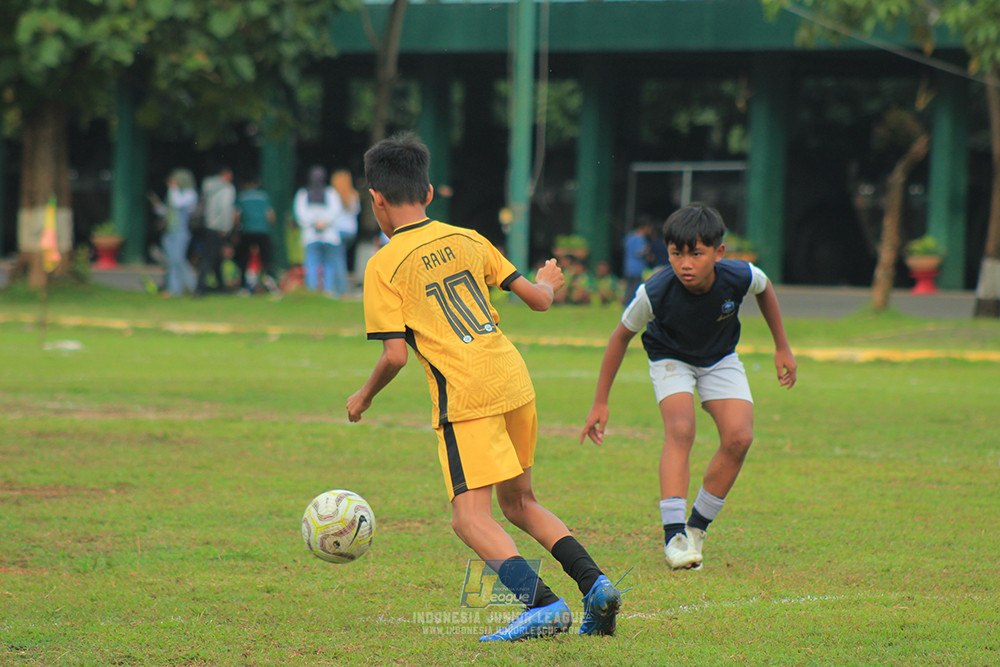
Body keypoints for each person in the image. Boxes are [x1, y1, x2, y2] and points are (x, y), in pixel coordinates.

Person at [346, 132, 623, 642]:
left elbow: (394, 354)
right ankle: (596, 584)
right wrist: (548, 280)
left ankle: (543, 605)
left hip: (466, 395)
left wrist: (363, 396)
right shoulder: (469, 239)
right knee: (520, 503)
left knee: (469, 518)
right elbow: (539, 302)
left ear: (376, 200)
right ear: (428, 193)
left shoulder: (383, 264)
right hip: (513, 379)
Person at [581, 203, 797, 570]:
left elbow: (765, 288)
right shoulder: (656, 291)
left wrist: (782, 345)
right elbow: (619, 338)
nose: (685, 264)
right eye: (676, 254)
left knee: (740, 437)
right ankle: (674, 537)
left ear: (718, 252)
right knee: (680, 430)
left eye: (696, 254)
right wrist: (600, 402)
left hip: (719, 357)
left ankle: (696, 528)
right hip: (670, 357)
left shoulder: (739, 275)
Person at [294, 165, 344, 296]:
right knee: (328, 264)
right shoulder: (331, 193)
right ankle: (328, 292)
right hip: (329, 235)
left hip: (311, 234)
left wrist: (314, 223)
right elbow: (336, 211)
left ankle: (313, 292)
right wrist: (324, 222)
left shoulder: (303, 193)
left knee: (312, 264)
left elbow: (300, 213)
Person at [151, 168, 198, 297]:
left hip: (181, 230)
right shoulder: (174, 193)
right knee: (171, 261)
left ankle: (193, 285)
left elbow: (178, 203)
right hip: (169, 230)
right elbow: (168, 211)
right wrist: (158, 207)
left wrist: (173, 188)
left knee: (178, 259)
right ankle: (174, 289)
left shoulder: (189, 193)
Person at [234, 177, 279, 296]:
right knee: (267, 258)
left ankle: (245, 286)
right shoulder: (264, 196)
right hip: (262, 231)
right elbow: (271, 215)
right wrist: (268, 227)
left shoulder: (242, 196)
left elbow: (237, 215)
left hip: (247, 230)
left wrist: (237, 229)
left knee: (244, 258)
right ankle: (270, 281)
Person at [195, 166, 236, 295]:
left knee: (215, 257)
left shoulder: (208, 187)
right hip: (218, 227)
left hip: (208, 225)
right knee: (210, 257)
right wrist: (226, 228)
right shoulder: (227, 189)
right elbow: (225, 208)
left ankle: (220, 285)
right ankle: (201, 287)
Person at [331, 168, 361, 297]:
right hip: (351, 231)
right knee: (342, 258)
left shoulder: (333, 194)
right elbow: (357, 211)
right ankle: (341, 287)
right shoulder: (353, 194)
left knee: (338, 260)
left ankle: (340, 289)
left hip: (338, 231)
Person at [622, 218, 653, 305]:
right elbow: (639, 252)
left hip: (628, 266)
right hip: (637, 267)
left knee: (629, 286)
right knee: (635, 287)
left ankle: (625, 302)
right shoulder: (640, 238)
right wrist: (647, 252)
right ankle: (631, 303)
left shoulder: (629, 237)